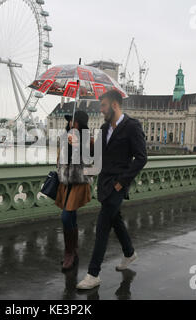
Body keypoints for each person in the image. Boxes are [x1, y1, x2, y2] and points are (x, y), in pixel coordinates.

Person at [76, 90, 147, 290]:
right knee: (116, 220)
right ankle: (129, 253)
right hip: (105, 183)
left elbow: (141, 157)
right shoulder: (104, 127)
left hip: (117, 184)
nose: (101, 110)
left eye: (104, 105)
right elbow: (96, 154)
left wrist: (122, 182)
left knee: (103, 226)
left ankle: (93, 274)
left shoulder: (132, 127)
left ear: (115, 105)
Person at [55, 110, 94, 271]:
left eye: (73, 121)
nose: (71, 123)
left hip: (78, 182)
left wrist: (77, 146)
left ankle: (68, 252)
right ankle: (74, 251)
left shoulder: (89, 141)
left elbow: (93, 161)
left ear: (80, 123)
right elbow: (59, 160)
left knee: (66, 217)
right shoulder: (65, 138)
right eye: (70, 121)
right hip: (65, 182)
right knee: (71, 218)